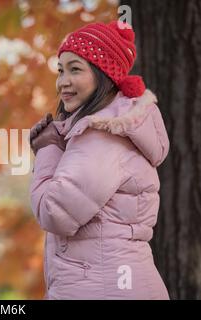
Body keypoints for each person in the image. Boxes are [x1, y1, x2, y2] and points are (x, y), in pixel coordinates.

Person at [29, 21, 170, 299]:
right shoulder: (111, 128)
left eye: (75, 69)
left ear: (103, 75)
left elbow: (54, 213)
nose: (63, 82)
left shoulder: (103, 136)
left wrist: (47, 149)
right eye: (61, 70)